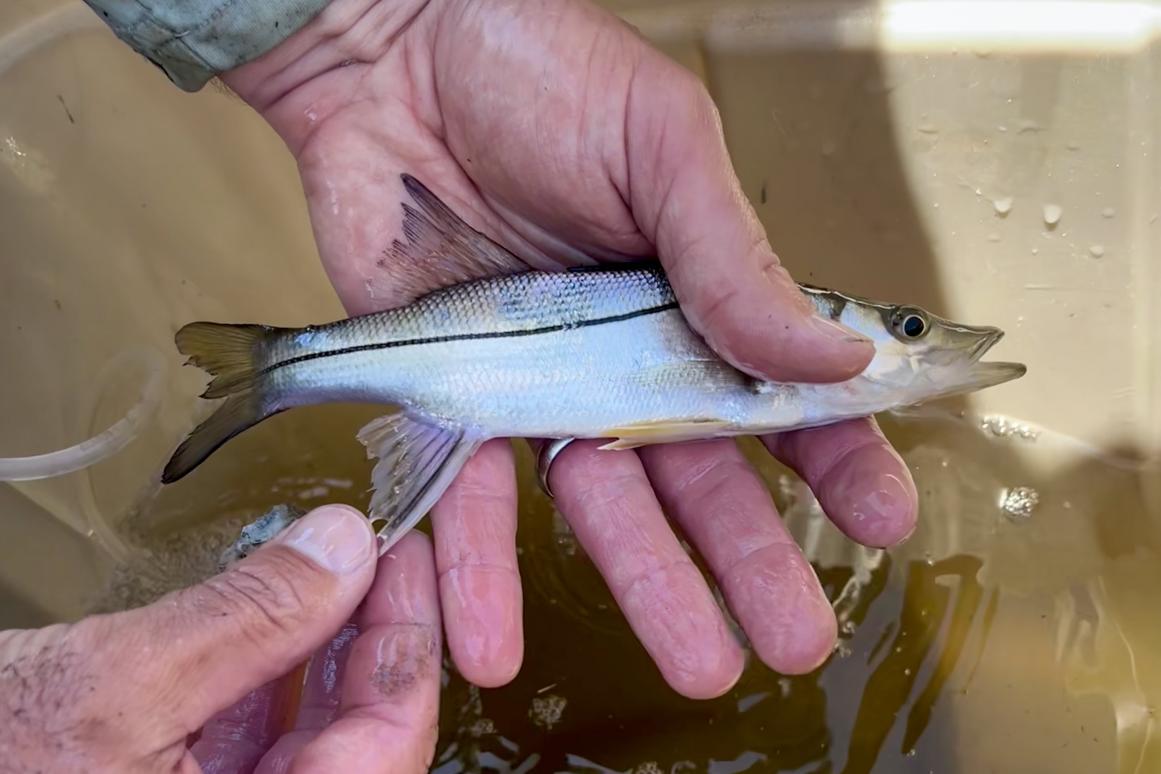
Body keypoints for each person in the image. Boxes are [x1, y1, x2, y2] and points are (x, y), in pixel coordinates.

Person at [1, 0, 920, 770]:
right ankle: (276, 368)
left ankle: (282, 367)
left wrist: (363, 22)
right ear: (828, 315)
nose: (911, 345)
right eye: (905, 330)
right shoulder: (780, 369)